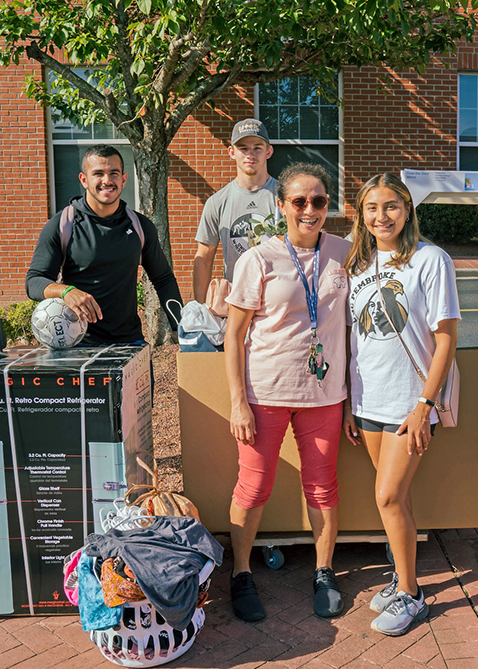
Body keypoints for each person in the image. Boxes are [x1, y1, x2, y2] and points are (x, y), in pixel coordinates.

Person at [224, 162, 350, 622]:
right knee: (254, 486)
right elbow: (233, 335)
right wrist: (238, 400)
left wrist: (351, 400)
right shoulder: (258, 258)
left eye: (318, 201)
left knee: (322, 487)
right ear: (282, 206)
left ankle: (324, 570)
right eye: (299, 201)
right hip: (265, 394)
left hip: (324, 396)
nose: (309, 210)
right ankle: (239, 573)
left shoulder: (345, 252)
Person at [343, 174, 459, 636]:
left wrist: (424, 406)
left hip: (409, 402)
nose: (381, 216)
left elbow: (447, 337)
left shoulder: (431, 259)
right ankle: (403, 578)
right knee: (397, 499)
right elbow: (356, 339)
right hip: (369, 398)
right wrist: (352, 401)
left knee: (388, 497)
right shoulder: (359, 262)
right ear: (361, 214)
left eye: (391, 206)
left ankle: (412, 596)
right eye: (371, 208)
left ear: (407, 209)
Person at [25, 144, 182, 345]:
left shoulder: (140, 226)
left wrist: (182, 326)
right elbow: (34, 282)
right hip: (77, 343)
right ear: (84, 180)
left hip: (130, 341)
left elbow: (163, 279)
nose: (107, 181)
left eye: (113, 173)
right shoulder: (63, 224)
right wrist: (65, 291)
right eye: (98, 174)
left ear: (124, 179)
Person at [192, 118, 278, 302]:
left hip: (279, 299)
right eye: (243, 148)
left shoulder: (286, 198)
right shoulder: (217, 202)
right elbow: (204, 259)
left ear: (268, 151)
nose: (250, 154)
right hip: (236, 301)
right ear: (232, 152)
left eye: (257, 147)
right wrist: (200, 307)